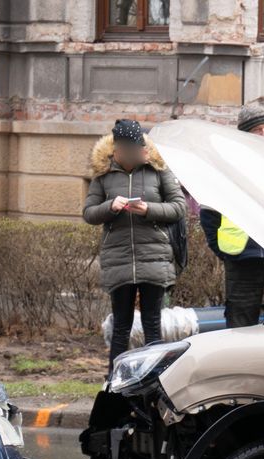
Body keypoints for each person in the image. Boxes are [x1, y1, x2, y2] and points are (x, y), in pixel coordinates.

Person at [82, 119, 187, 372]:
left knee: (153, 326)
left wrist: (148, 209)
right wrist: (110, 206)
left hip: (154, 257)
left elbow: (179, 207)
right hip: (119, 259)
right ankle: (114, 386)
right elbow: (88, 213)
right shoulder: (103, 176)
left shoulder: (159, 170)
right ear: (117, 151)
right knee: (121, 327)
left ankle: (154, 384)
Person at [200, 104, 264, 328]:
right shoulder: (225, 166)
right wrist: (224, 250)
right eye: (258, 130)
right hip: (242, 257)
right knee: (240, 323)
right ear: (245, 134)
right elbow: (209, 212)